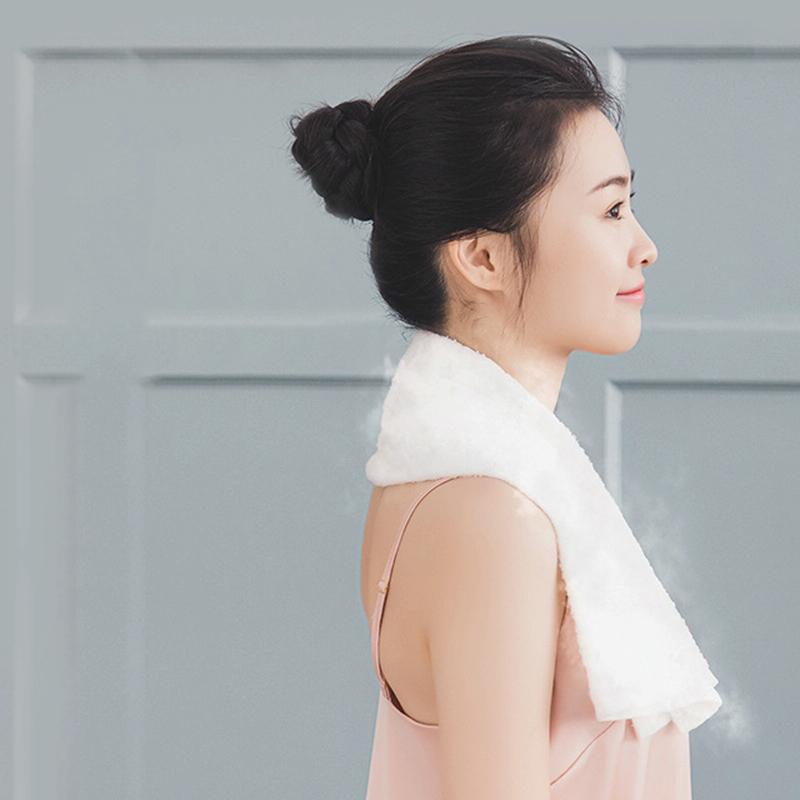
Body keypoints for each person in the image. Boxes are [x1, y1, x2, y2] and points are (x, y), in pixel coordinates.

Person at [289, 34, 717, 799]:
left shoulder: (455, 486)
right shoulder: (491, 516)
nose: (645, 246)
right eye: (612, 209)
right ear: (482, 259)